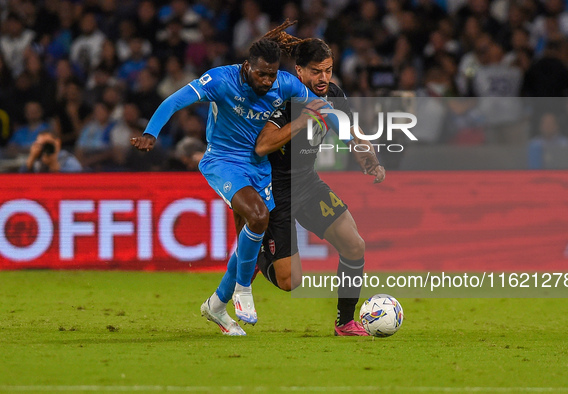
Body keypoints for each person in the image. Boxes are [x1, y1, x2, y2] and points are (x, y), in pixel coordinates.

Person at [130, 37, 336, 336]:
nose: (267, 81)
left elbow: (322, 108)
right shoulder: (220, 79)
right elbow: (175, 100)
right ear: (246, 67)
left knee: (247, 238)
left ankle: (216, 305)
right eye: (261, 74)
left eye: (272, 74)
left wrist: (355, 141)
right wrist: (151, 132)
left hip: (258, 166)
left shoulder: (285, 83)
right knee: (258, 216)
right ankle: (242, 290)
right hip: (223, 160)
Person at [255, 23, 386, 336]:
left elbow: (349, 133)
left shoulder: (334, 94)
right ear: (299, 71)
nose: (324, 78)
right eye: (316, 71)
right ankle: (253, 249)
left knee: (355, 245)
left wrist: (370, 160)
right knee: (291, 281)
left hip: (307, 182)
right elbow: (262, 145)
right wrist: (302, 120)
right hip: (275, 188)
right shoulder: (283, 99)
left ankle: (345, 322)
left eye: (328, 70)